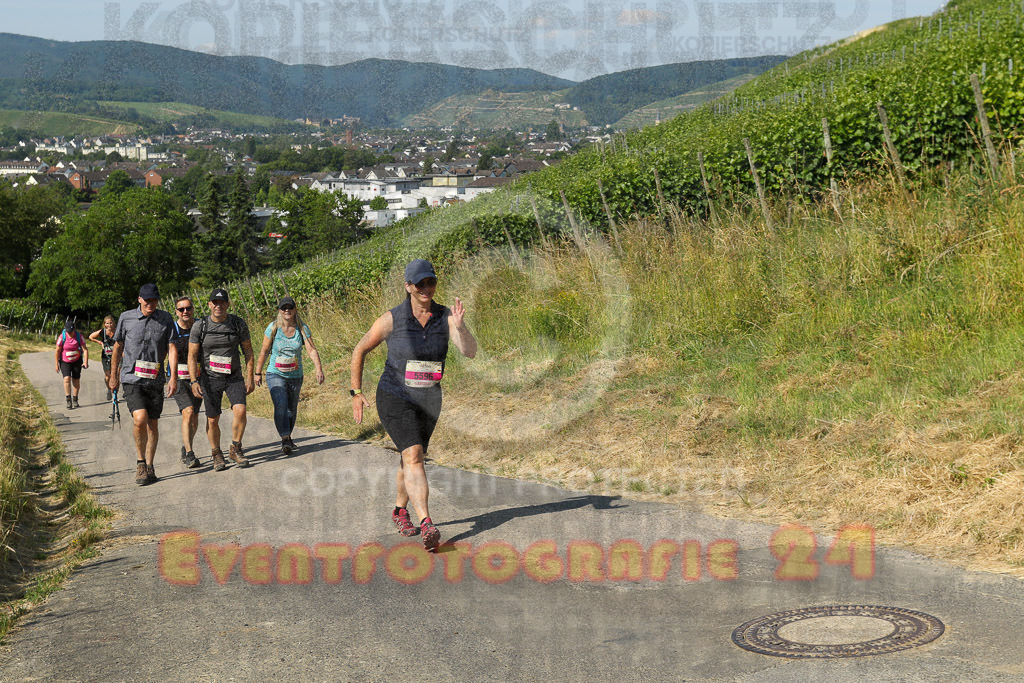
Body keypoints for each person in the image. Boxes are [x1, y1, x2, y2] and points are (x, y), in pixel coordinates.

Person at [350, 259, 477, 551]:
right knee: (414, 455)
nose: (426, 288)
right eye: (420, 284)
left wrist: (461, 327)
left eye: (430, 282)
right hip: (394, 396)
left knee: (409, 458)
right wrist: (356, 391)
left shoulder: (445, 317)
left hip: (429, 398)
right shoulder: (392, 319)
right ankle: (427, 523)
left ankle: (399, 510)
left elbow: (469, 353)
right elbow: (360, 349)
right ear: (408, 286)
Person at [109, 283, 177, 486]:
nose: (151, 304)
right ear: (139, 299)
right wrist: (113, 376)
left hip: (154, 380)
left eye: (154, 300)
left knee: (152, 424)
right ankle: (140, 463)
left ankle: (150, 465)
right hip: (131, 378)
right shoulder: (126, 317)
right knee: (140, 418)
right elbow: (118, 347)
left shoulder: (165, 319)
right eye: (147, 300)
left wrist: (172, 376)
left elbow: (171, 348)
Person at [188, 288, 254, 471]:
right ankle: (216, 453)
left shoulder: (237, 324)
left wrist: (250, 377)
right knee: (212, 419)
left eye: (222, 302)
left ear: (228, 304)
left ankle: (235, 448)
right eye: (215, 303)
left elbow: (248, 351)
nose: (219, 306)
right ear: (209, 305)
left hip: (233, 376)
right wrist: (194, 381)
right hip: (210, 378)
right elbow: (192, 356)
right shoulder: (200, 326)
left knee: (240, 410)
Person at [254, 296, 325, 455]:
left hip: (295, 375)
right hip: (275, 374)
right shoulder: (273, 328)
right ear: (279, 310)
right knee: (281, 404)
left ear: (295, 309)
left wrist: (318, 369)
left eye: (290, 308)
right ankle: (285, 438)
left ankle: (288, 436)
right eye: (283, 308)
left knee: (291, 409)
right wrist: (257, 373)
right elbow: (264, 351)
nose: (287, 310)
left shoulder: (302, 328)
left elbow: (311, 350)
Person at [170, 296, 202, 469]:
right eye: (181, 309)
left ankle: (186, 445)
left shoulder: (199, 326)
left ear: (193, 309)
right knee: (188, 412)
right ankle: (190, 454)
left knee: (195, 417)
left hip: (197, 377)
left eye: (188, 308)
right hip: (178, 377)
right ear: (176, 312)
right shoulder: (172, 329)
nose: (185, 312)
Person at [56, 319, 89, 410]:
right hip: (65, 361)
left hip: (77, 361)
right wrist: (56, 364)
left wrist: (85, 362)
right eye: (68, 331)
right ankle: (68, 399)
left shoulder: (79, 336)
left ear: (74, 329)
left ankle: (75, 399)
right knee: (67, 379)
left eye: (71, 331)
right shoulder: (62, 337)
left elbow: (85, 350)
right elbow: (57, 350)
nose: (70, 333)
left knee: (76, 381)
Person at [88, 316, 116, 401]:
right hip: (106, 356)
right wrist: (99, 342)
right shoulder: (102, 332)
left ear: (113, 323)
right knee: (108, 376)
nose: (109, 325)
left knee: (116, 375)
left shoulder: (117, 331)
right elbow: (91, 337)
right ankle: (109, 388)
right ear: (104, 324)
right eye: (107, 323)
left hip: (116, 356)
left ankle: (115, 395)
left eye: (111, 323)